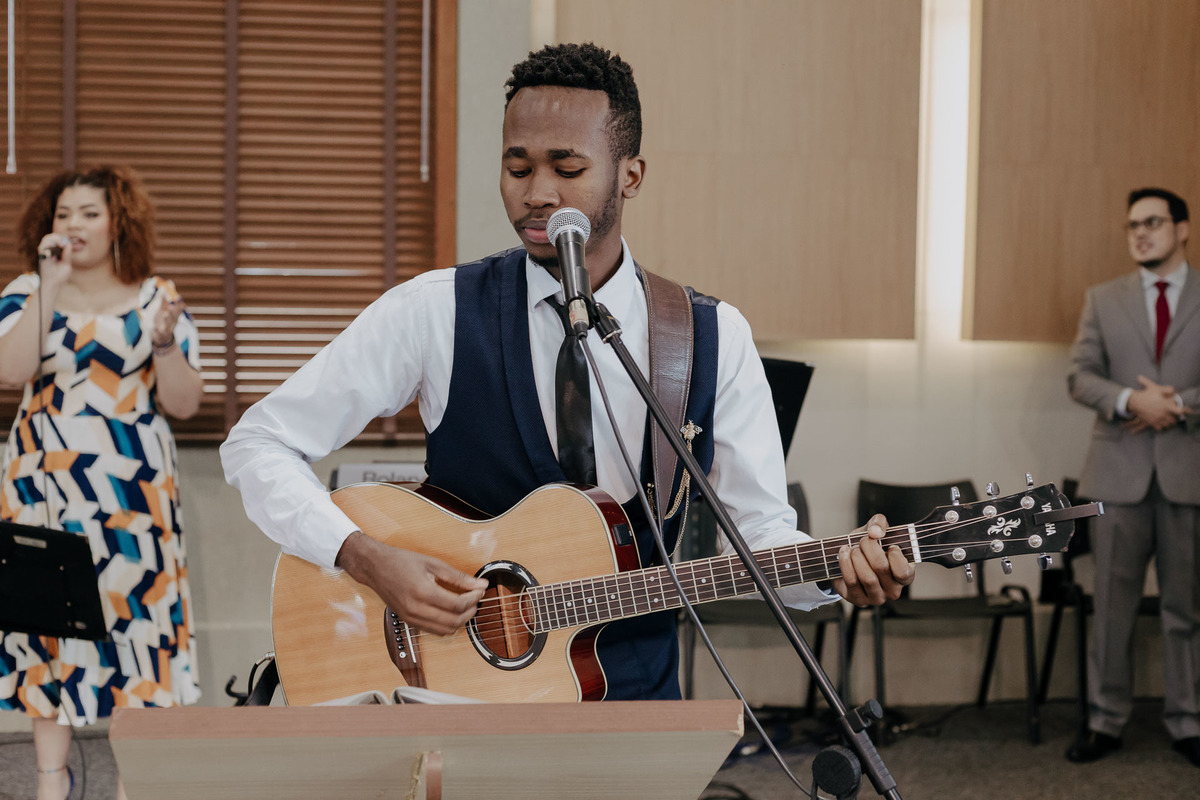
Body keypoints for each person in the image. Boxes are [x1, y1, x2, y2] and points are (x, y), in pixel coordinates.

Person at [221, 42, 913, 703]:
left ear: (630, 176)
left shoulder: (710, 336)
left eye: (567, 168)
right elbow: (257, 444)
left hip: (636, 705)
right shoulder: (434, 311)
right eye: (518, 168)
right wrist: (363, 556)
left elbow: (760, 533)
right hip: (456, 698)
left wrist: (835, 574)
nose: (538, 193)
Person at [0, 166, 204, 799]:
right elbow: (11, 371)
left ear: (119, 222)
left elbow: (186, 404)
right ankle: (50, 779)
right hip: (43, 487)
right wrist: (51, 284)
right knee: (46, 621)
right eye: (63, 214)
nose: (73, 225)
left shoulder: (157, 298)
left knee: (134, 622)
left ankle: (130, 782)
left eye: (89, 213)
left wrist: (165, 344)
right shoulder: (27, 291)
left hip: (133, 491)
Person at [1066, 187, 1200, 767]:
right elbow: (1080, 376)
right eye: (1132, 225)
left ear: (1182, 229)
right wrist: (1130, 400)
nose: (1140, 233)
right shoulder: (1103, 298)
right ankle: (1105, 720)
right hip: (1116, 477)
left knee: (1185, 609)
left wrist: (1179, 404)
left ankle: (1188, 721)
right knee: (1111, 608)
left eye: (1152, 222)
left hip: (1188, 476)